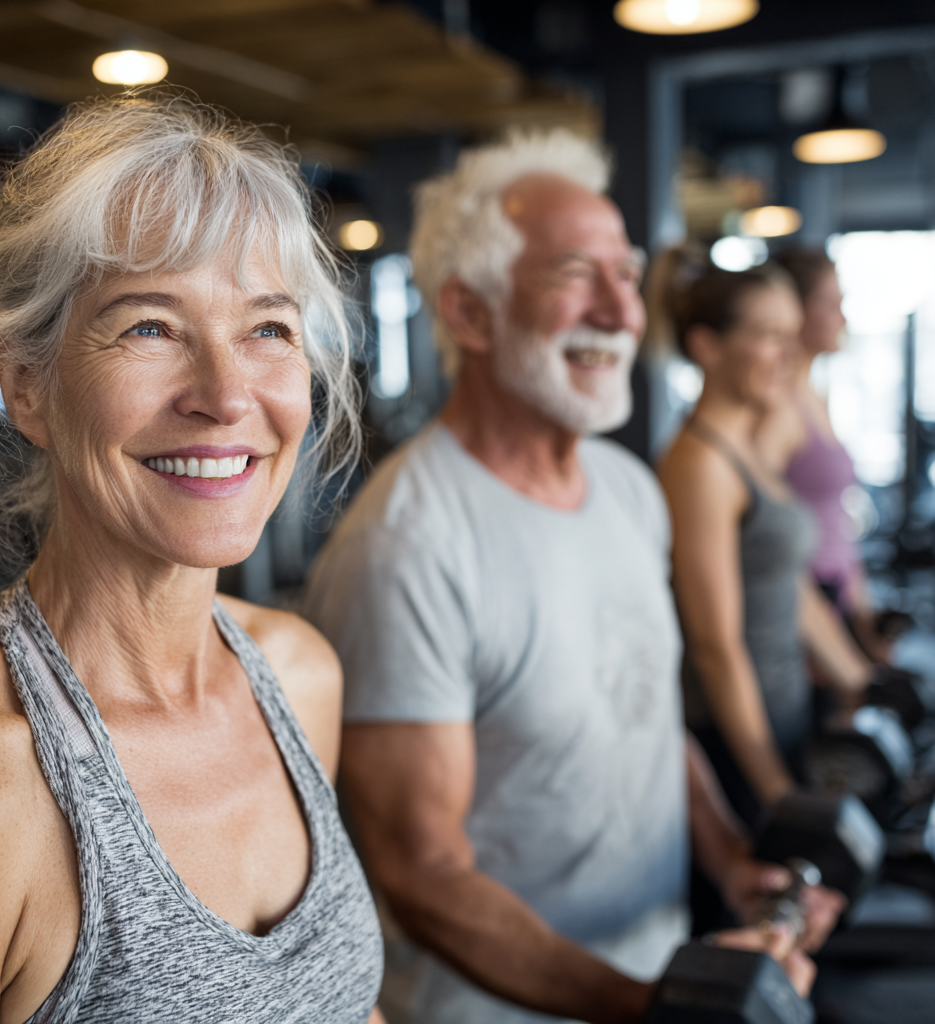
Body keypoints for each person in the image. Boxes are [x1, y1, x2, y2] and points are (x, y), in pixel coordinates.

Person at [305, 132, 841, 1024]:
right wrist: (645, 1005)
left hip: (651, 975)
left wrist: (731, 861)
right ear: (470, 313)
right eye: (574, 275)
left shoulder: (629, 491)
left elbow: (646, 719)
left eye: (625, 275)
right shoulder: (406, 545)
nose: (622, 311)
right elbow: (423, 876)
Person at [0, 95, 383, 1024]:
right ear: (27, 385)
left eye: (267, 328)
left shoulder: (299, 679)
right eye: (150, 327)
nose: (226, 395)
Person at [656, 255, 873, 828]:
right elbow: (716, 648)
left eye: (792, 334)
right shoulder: (699, 465)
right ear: (706, 346)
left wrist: (861, 680)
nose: (789, 354)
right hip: (738, 743)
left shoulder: (747, 448)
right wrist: (775, 789)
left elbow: (790, 585)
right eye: (769, 336)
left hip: (784, 711)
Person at [758, 248, 892, 662]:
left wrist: (862, 610)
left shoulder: (814, 394)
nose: (843, 319)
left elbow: (835, 519)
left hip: (838, 599)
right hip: (806, 618)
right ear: (795, 310)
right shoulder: (777, 409)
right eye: (831, 305)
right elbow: (762, 533)